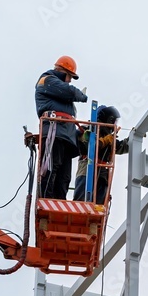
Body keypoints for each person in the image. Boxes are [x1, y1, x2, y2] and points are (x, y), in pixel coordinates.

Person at [34, 55, 88, 199]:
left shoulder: (64, 99)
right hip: (54, 132)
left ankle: (59, 201)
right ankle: (46, 200)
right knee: (51, 169)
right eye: (69, 76)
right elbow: (69, 91)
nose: (70, 80)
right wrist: (81, 96)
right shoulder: (47, 80)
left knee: (64, 176)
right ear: (62, 71)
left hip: (66, 136)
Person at [72, 105, 129, 205]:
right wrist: (106, 140)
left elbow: (123, 146)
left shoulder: (110, 139)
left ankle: (95, 213)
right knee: (81, 198)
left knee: (99, 199)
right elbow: (89, 145)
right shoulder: (87, 129)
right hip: (86, 166)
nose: (115, 124)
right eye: (114, 121)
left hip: (102, 171)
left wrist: (133, 138)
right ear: (108, 119)